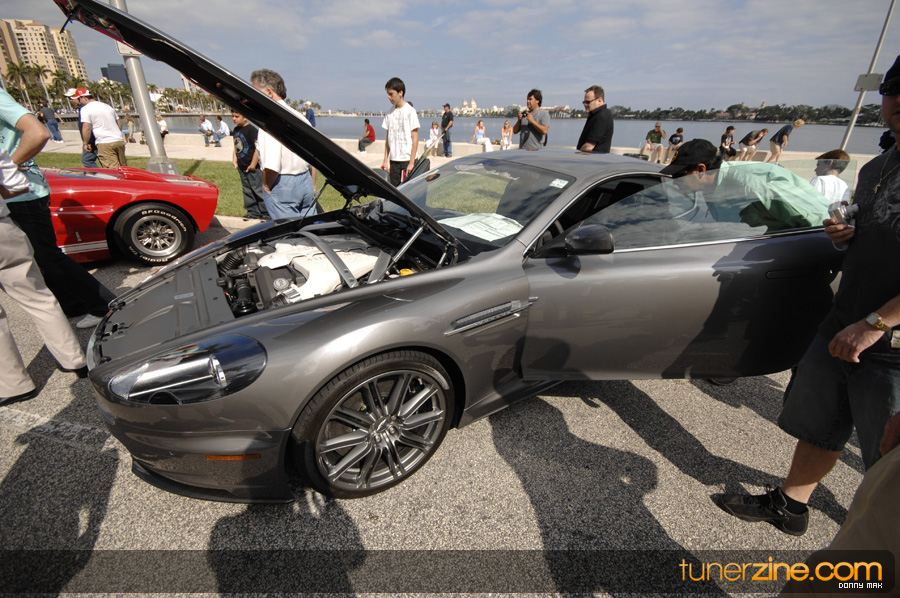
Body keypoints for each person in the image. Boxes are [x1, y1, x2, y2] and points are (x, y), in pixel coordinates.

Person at [710, 54, 900, 537]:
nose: (898, 100)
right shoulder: (878, 166)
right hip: (845, 319)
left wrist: (876, 324)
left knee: (889, 455)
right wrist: (844, 236)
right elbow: (869, 235)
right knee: (821, 423)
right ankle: (791, 505)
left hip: (890, 341)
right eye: (892, 89)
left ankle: (876, 545)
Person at [0, 88, 115, 330]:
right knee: (40, 256)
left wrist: (7, 168)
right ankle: (73, 305)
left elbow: (38, 133)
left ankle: (105, 306)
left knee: (47, 256)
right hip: (20, 194)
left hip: (22, 194)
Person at [1, 146, 87, 404]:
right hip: (3, 228)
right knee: (38, 297)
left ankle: (14, 384)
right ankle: (74, 360)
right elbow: (18, 186)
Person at [250, 68, 317, 219]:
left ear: (269, 92)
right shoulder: (300, 117)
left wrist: (266, 186)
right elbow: (313, 157)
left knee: (288, 232)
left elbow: (272, 165)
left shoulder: (270, 122)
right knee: (309, 228)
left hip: (283, 183)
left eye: (255, 92)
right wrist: (312, 184)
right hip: (305, 179)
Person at [71, 88, 126, 169]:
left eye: (79, 99)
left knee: (112, 170)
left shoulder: (85, 109)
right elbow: (119, 124)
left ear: (84, 98)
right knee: (123, 167)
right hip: (118, 140)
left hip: (104, 142)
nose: (79, 102)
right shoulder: (108, 106)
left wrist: (86, 143)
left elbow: (86, 128)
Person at [380, 77, 420, 186]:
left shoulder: (410, 111)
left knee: (408, 190)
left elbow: (415, 139)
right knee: (395, 190)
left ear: (400, 93)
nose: (389, 97)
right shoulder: (389, 113)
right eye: (388, 94)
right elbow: (388, 139)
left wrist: (412, 162)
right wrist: (385, 160)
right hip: (394, 160)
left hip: (407, 160)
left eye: (391, 94)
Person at [231, 110, 268, 221]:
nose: (234, 119)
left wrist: (253, 164)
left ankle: (265, 212)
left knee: (258, 189)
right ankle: (252, 211)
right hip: (242, 167)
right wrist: (235, 160)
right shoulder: (236, 130)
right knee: (247, 190)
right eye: (233, 116)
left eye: (237, 116)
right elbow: (235, 147)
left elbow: (257, 149)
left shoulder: (252, 130)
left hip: (253, 168)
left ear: (245, 117)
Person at [64, 88, 97, 167]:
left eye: (71, 98)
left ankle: (99, 174)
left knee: (87, 160)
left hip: (92, 140)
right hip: (93, 139)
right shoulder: (84, 108)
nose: (71, 100)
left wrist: (88, 142)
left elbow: (87, 127)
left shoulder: (85, 109)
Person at [576, 85, 613, 153]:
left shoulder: (601, 116)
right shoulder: (596, 115)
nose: (585, 105)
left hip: (594, 158)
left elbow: (589, 146)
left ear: (599, 101)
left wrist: (577, 156)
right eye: (584, 102)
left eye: (588, 102)